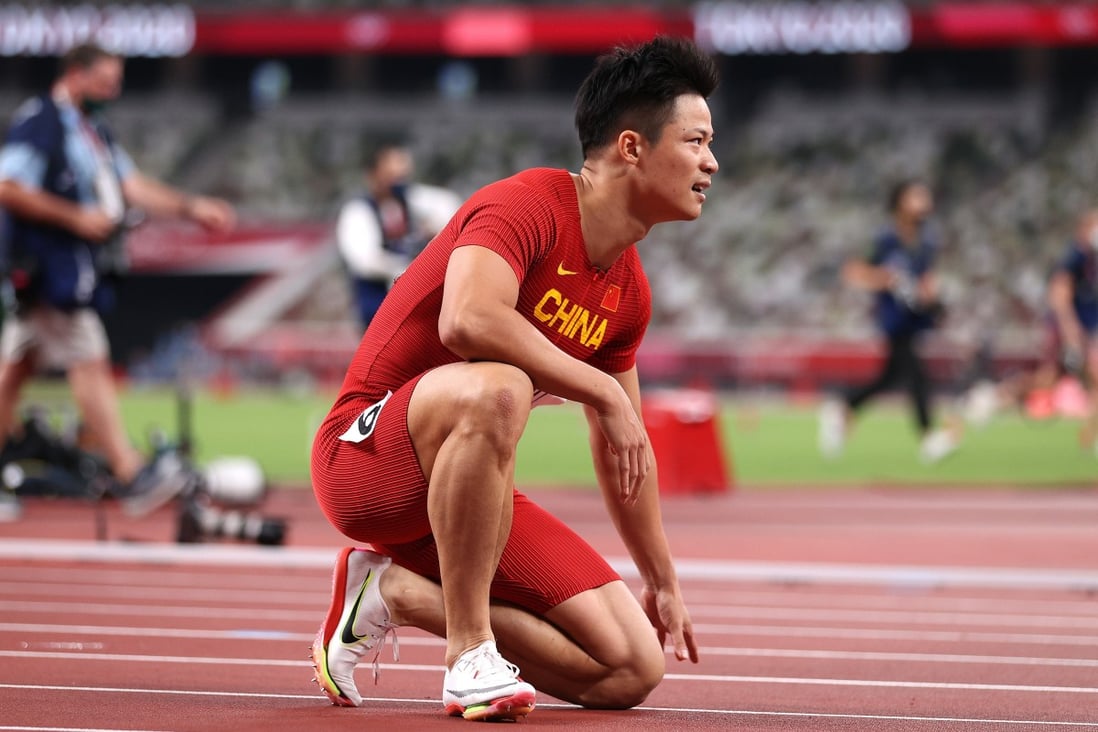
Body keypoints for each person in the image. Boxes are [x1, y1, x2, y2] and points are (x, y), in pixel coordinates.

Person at [310, 36, 717, 722]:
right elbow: (466, 320)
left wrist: (663, 579)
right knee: (500, 385)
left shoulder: (629, 293)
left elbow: (627, 453)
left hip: (467, 491)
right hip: (365, 464)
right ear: (631, 147)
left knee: (631, 668)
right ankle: (469, 654)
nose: (711, 162)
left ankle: (391, 595)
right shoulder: (527, 203)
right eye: (697, 140)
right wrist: (601, 390)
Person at [0, 43, 236, 521]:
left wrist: (190, 207)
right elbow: (7, 185)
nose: (114, 89)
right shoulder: (42, 121)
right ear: (76, 74)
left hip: (60, 269)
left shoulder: (91, 131)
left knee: (12, 372)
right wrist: (76, 217)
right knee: (87, 355)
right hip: (51, 270)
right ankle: (129, 474)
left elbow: (131, 186)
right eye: (105, 79)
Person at [818, 179, 959, 463]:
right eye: (917, 196)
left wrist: (931, 295)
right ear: (900, 201)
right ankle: (928, 437)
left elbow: (927, 277)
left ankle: (843, 406)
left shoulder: (927, 239)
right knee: (915, 373)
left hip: (915, 316)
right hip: (894, 318)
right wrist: (885, 279)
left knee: (891, 377)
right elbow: (854, 271)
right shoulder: (884, 237)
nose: (924, 201)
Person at [335, 142, 460, 330]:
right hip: (378, 311)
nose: (397, 182)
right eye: (390, 174)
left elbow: (449, 207)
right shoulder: (358, 211)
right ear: (373, 174)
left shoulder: (411, 203)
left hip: (416, 311)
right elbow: (366, 261)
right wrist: (408, 269)